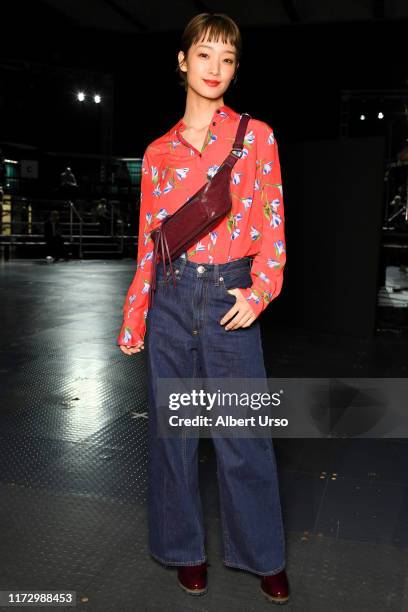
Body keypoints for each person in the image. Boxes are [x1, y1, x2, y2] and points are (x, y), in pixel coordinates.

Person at [117, 13, 289, 604]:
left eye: (228, 58)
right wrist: (135, 312)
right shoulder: (158, 152)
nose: (216, 68)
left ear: (235, 68)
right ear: (183, 60)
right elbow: (150, 239)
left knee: (243, 434)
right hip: (170, 299)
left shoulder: (256, 135)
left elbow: (272, 221)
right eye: (205, 54)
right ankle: (183, 549)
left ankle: (263, 555)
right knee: (175, 435)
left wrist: (260, 289)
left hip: (227, 296)